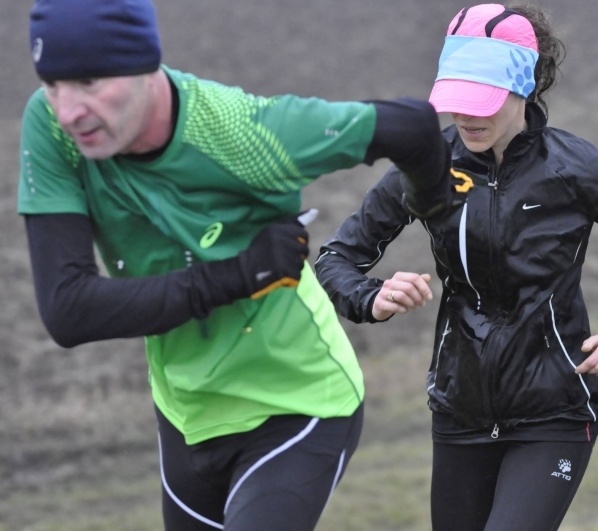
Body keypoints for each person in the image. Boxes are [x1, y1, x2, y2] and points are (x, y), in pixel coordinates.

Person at [17, 0, 454, 529]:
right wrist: (244, 275)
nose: (69, 110)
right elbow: (69, 309)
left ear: (144, 65)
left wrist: (436, 213)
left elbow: (412, 126)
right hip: (187, 414)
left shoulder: (246, 134)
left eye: (89, 82)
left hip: (299, 401)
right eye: (53, 84)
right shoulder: (52, 126)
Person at [315, 3, 598, 530]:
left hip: (554, 412)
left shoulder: (579, 169)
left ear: (523, 87)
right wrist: (371, 297)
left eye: (482, 102)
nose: (466, 117)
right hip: (459, 412)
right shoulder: (429, 167)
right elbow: (336, 258)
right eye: (457, 101)